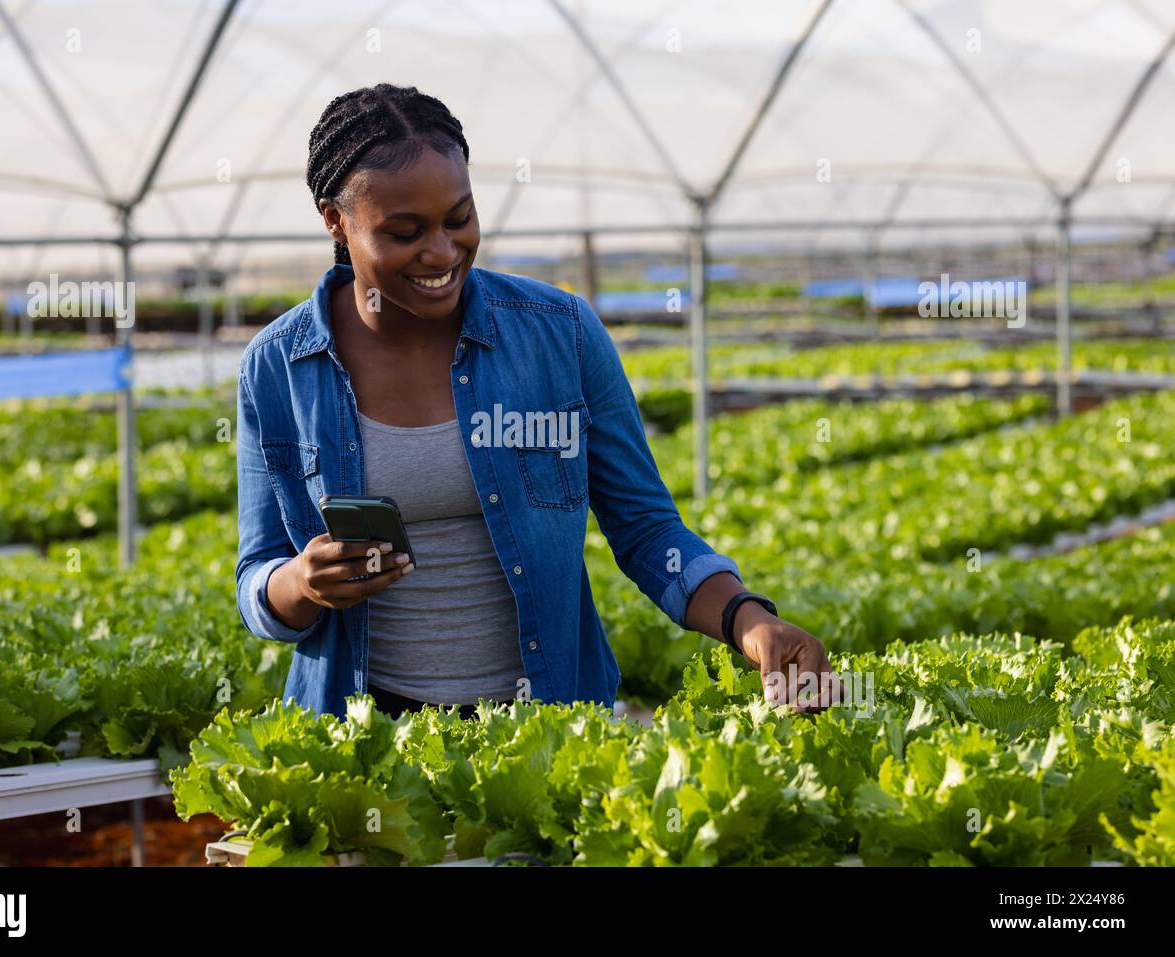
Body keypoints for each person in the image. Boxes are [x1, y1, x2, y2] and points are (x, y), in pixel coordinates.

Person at [235, 82, 838, 721]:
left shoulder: (562, 334)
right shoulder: (278, 368)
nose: (441, 252)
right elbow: (257, 577)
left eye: (459, 219)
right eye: (406, 231)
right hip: (359, 733)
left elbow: (645, 529)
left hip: (549, 724)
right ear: (335, 220)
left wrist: (747, 618)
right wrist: (300, 584)